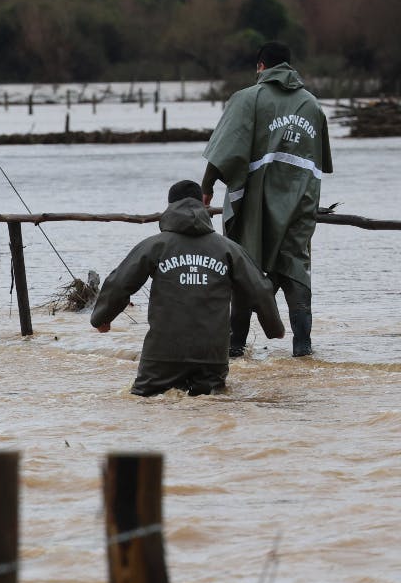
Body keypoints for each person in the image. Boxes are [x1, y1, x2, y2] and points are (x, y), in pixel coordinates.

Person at [91, 180, 285, 397]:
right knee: (210, 404)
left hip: (162, 356)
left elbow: (119, 283)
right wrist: (274, 328)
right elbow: (260, 289)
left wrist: (102, 318)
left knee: (143, 403)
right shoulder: (229, 248)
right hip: (212, 358)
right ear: (203, 206)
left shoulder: (155, 245)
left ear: (169, 207)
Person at [201, 41, 331, 357]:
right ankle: (303, 350)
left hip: (257, 206)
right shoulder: (312, 105)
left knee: (246, 270)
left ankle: (235, 348)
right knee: (296, 268)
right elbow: (321, 163)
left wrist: (205, 190)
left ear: (261, 67)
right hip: (300, 205)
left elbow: (223, 154)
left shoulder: (248, 99)